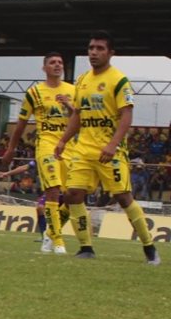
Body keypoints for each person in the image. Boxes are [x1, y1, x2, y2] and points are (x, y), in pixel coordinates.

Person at [53, 31, 159, 264]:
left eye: (100, 48)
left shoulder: (118, 80)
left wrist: (112, 144)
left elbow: (127, 115)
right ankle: (86, 247)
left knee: (123, 198)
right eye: (91, 48)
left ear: (111, 53)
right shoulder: (82, 80)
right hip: (83, 149)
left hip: (110, 151)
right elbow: (78, 116)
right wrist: (63, 140)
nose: (94, 52)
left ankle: (149, 247)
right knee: (73, 194)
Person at [1, 52, 75, 253]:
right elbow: (21, 124)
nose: (57, 65)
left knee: (72, 195)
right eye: (52, 62)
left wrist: (69, 105)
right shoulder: (34, 93)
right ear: (45, 68)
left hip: (69, 146)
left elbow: (80, 118)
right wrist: (11, 149)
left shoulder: (72, 90)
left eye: (60, 62)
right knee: (52, 191)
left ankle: (51, 233)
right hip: (46, 145)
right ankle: (57, 240)